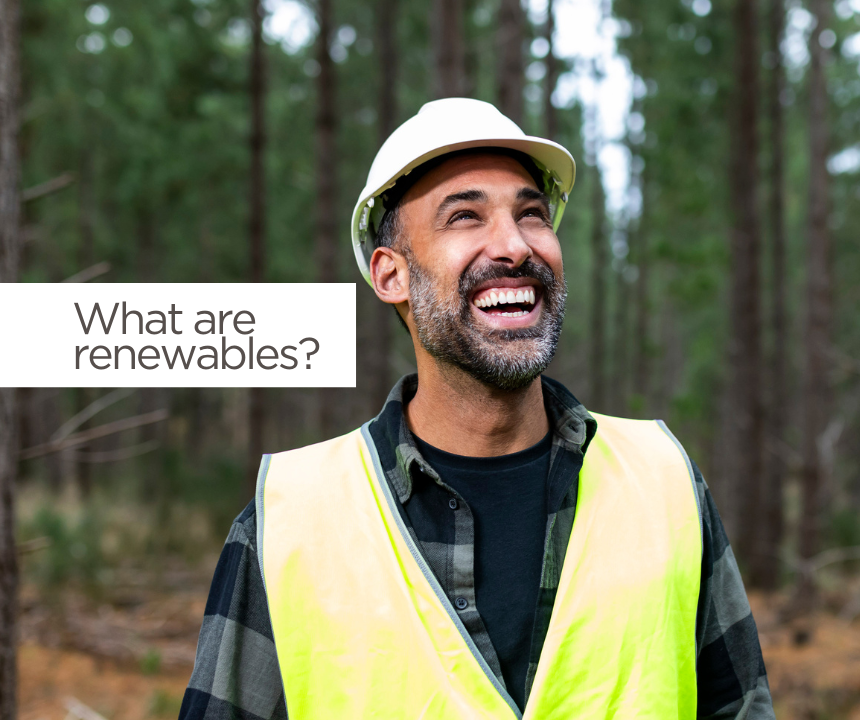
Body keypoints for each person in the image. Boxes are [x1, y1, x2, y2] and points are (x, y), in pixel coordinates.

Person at [179, 98, 774, 719]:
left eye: (532, 215)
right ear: (391, 276)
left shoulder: (666, 481)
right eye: (465, 216)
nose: (514, 246)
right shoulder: (288, 520)